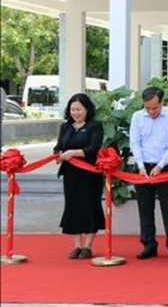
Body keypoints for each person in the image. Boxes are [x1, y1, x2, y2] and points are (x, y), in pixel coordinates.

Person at [129, 86, 168, 260]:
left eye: (155, 107)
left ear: (162, 102)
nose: (152, 111)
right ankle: (149, 244)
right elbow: (135, 142)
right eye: (148, 108)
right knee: (145, 208)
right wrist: (140, 165)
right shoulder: (137, 117)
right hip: (143, 167)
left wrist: (160, 165)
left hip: (164, 168)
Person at [53, 93, 104, 259]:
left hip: (89, 175)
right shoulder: (65, 127)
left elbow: (93, 148)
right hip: (71, 175)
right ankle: (77, 246)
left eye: (79, 109)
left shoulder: (95, 126)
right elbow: (58, 146)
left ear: (87, 109)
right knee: (73, 208)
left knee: (90, 208)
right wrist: (58, 155)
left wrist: (74, 153)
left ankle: (88, 246)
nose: (76, 112)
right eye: (73, 109)